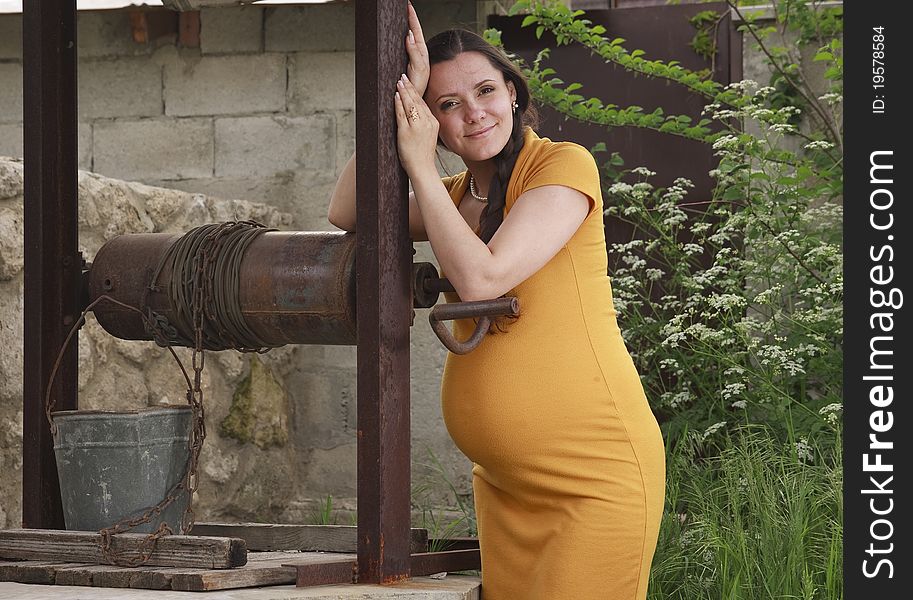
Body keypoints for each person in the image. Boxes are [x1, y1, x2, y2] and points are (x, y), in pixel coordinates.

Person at [327, 4, 665, 599]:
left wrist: (419, 168)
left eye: (485, 90)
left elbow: (485, 280)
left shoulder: (560, 167)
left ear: (512, 92)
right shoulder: (455, 199)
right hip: (506, 487)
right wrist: (393, 94)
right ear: (429, 118)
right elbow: (347, 211)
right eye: (448, 104)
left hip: (594, 479)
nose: (473, 112)